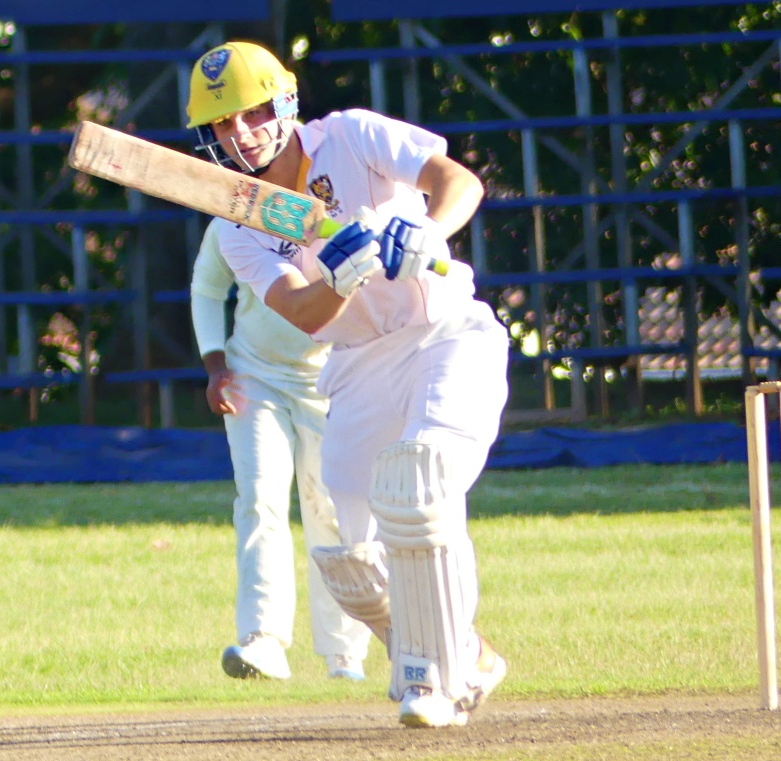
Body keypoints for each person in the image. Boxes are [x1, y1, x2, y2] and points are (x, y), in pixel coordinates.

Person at [184, 40, 510, 728]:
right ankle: (466, 654)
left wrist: (427, 228)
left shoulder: (352, 135)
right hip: (356, 361)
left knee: (419, 486)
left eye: (251, 113)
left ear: (284, 103)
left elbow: (459, 182)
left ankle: (431, 680)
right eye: (222, 124)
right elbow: (303, 313)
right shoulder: (239, 222)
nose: (240, 134)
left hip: (443, 332)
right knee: (352, 564)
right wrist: (341, 276)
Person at [191, 217, 374, 683]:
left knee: (329, 507)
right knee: (259, 498)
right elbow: (208, 288)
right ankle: (263, 639)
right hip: (254, 374)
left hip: (333, 376)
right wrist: (215, 367)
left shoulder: (341, 204)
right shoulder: (233, 216)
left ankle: (345, 652)